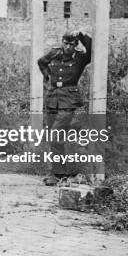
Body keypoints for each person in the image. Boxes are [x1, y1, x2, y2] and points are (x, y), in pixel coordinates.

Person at [37, 30, 92, 186]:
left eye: (72, 44)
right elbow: (41, 62)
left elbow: (93, 49)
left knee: (55, 135)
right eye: (65, 43)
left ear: (76, 45)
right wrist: (47, 77)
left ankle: (58, 174)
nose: (68, 47)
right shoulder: (54, 53)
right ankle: (57, 173)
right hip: (52, 97)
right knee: (55, 138)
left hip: (68, 99)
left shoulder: (80, 58)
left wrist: (81, 35)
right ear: (62, 42)